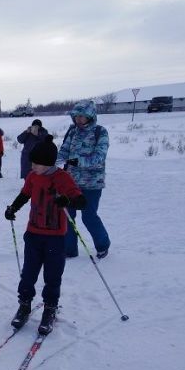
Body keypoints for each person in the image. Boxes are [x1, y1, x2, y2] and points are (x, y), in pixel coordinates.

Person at [4, 135, 87, 335]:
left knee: (52, 276)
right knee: (28, 274)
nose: (32, 166)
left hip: (55, 237)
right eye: (32, 162)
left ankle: (50, 308)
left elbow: (81, 201)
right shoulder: (33, 177)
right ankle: (24, 305)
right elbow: (25, 194)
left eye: (36, 163)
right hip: (33, 234)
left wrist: (67, 200)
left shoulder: (62, 178)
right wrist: (13, 208)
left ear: (48, 163)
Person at [57, 99, 111, 259]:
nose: (79, 119)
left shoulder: (100, 132)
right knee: (67, 215)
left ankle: (103, 245)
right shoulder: (72, 131)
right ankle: (69, 249)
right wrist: (50, 163)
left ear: (90, 116)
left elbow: (99, 156)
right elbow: (64, 151)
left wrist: (78, 161)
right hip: (71, 182)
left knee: (89, 216)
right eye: (77, 116)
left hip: (92, 183)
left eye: (83, 116)